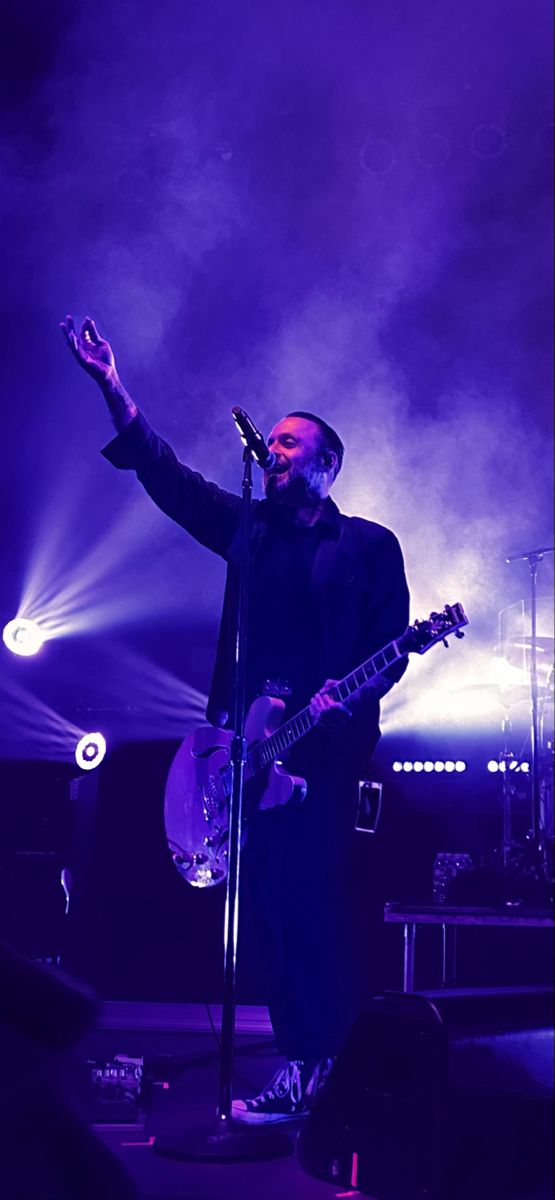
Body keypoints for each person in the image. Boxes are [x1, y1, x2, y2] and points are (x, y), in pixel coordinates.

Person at [60, 314, 410, 1123]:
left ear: (326, 465)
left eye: (289, 445)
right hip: (248, 747)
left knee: (308, 904)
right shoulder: (247, 528)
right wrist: (114, 388)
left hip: (325, 756)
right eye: (271, 443)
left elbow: (391, 650)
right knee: (263, 919)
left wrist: (340, 701)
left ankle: (328, 1065)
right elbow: (169, 478)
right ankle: (301, 1062)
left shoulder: (366, 545)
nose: (272, 452)